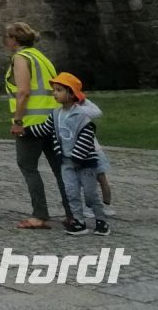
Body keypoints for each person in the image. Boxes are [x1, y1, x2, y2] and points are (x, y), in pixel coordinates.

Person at [4, 21, 71, 230]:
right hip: (53, 120)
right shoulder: (42, 57)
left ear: (13, 39)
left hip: (31, 123)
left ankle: (39, 215)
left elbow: (23, 91)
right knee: (60, 169)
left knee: (28, 167)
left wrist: (18, 121)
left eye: (7, 37)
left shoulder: (21, 58)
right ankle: (72, 213)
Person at [41, 73, 108, 236]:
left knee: (90, 194)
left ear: (71, 93)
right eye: (54, 90)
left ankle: (101, 220)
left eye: (59, 90)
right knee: (71, 192)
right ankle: (78, 221)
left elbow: (87, 135)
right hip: (66, 162)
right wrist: (26, 131)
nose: (55, 93)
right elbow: (45, 129)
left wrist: (77, 156)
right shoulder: (56, 114)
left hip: (85, 162)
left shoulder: (82, 114)